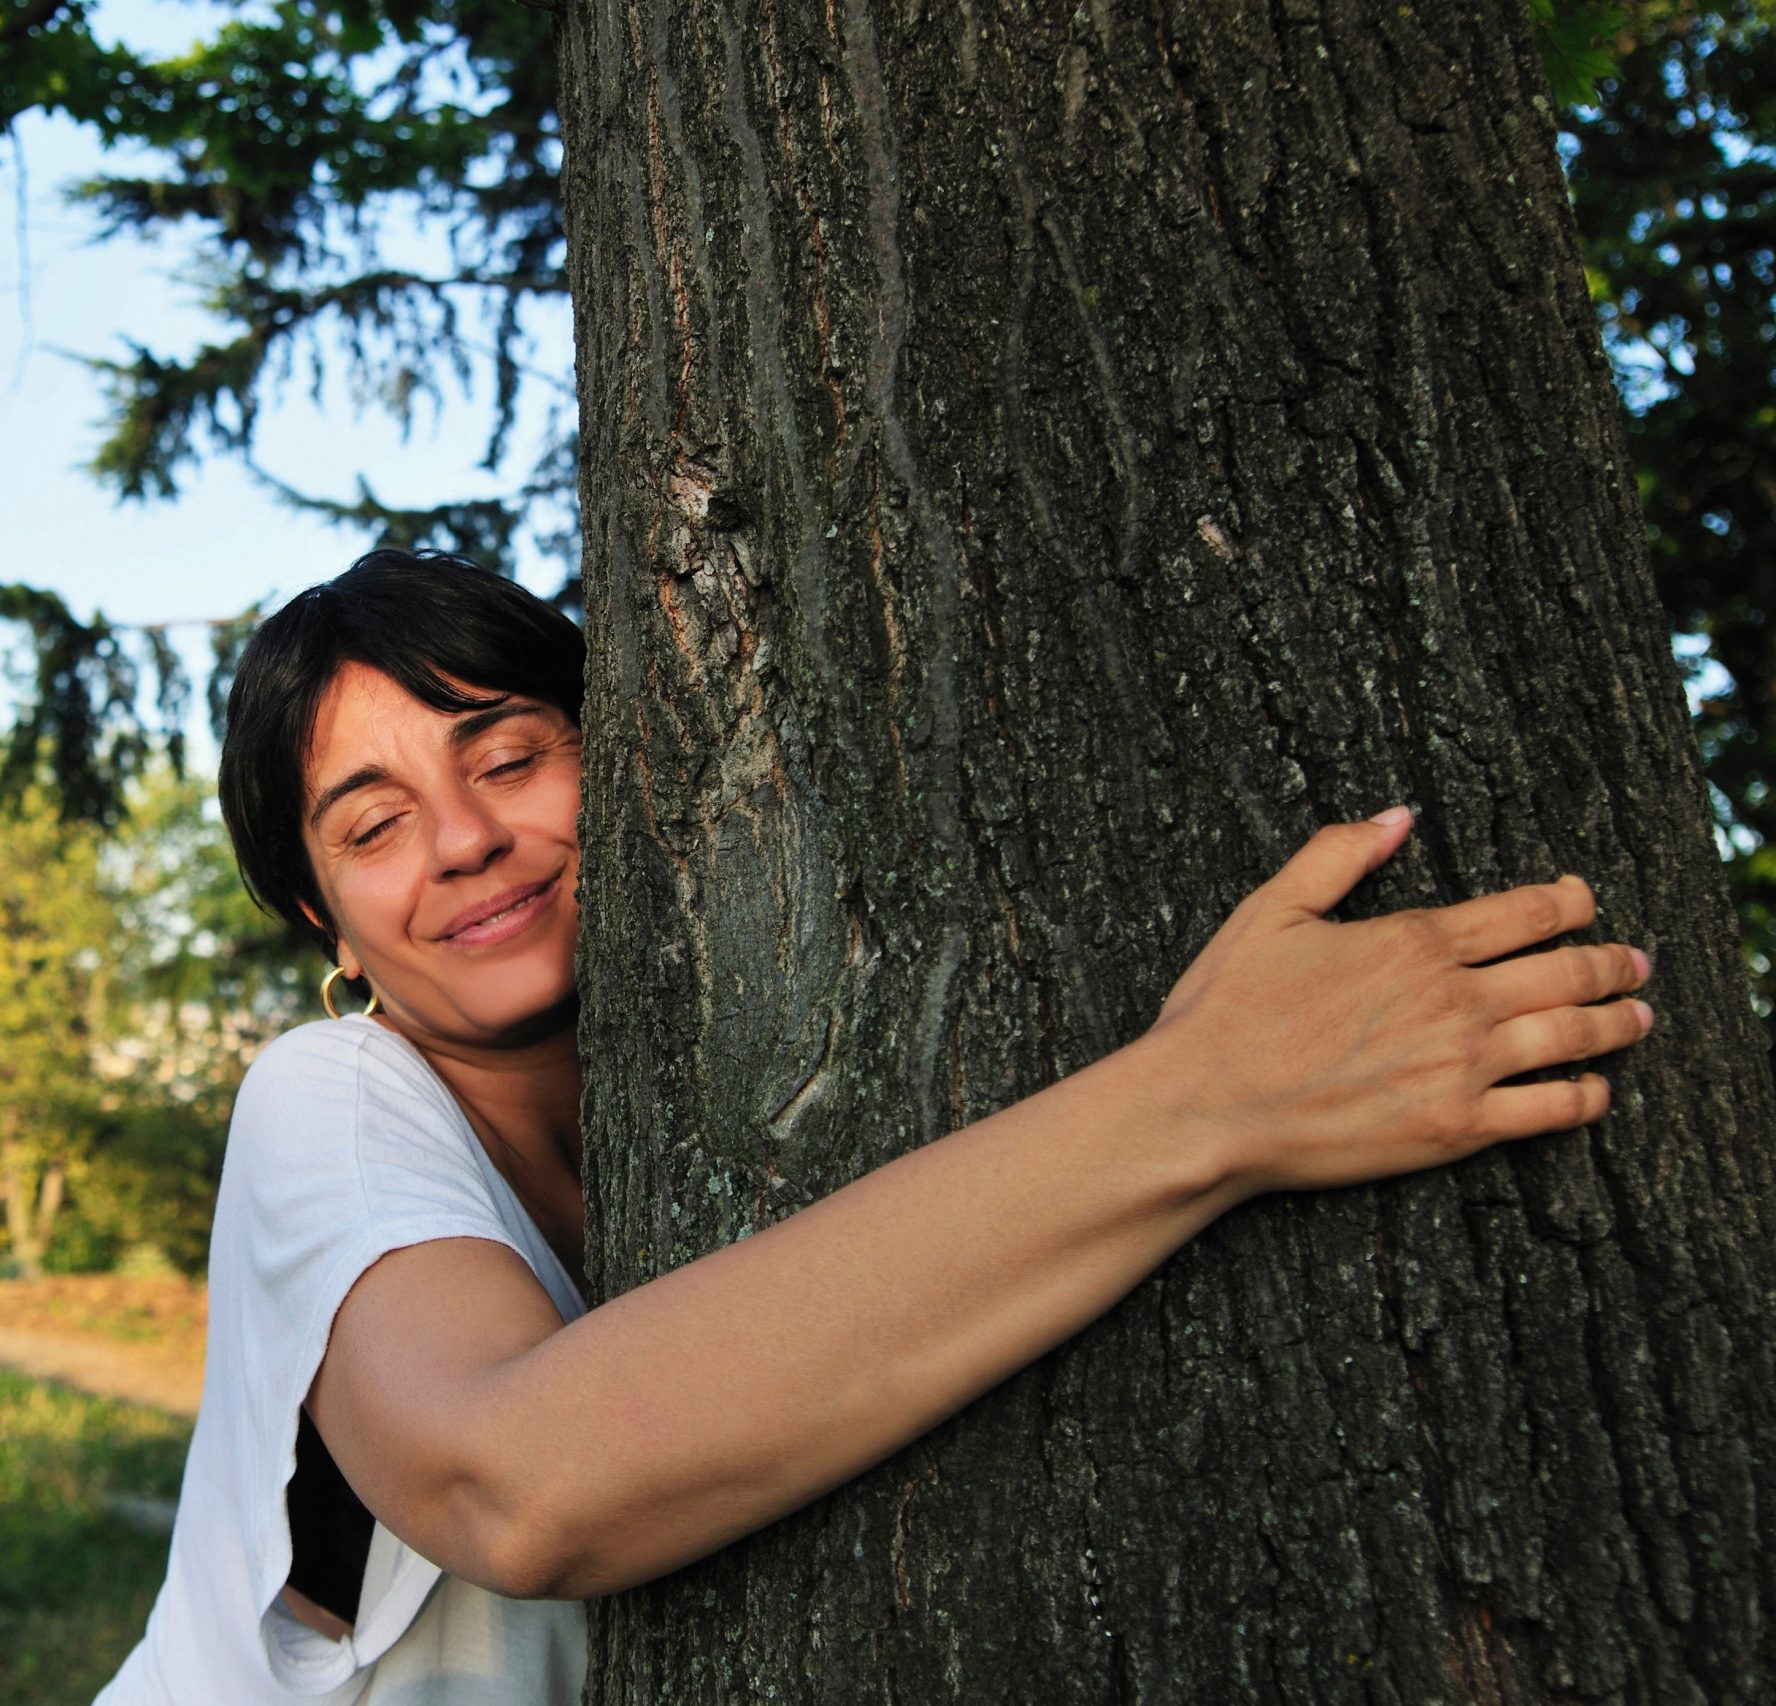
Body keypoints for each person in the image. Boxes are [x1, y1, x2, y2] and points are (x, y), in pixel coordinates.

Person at [92, 549, 1655, 1703]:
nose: (469, 837)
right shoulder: (329, 1095)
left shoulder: (685, 1112)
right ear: (329, 921)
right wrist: (1214, 1094)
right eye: (373, 825)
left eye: (510, 753)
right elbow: (517, 1479)